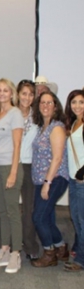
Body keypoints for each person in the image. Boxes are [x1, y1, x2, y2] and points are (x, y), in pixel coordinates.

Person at [0, 79, 24, 274]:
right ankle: (4, 250)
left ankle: (16, 253)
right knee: (1, 212)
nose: (1, 94)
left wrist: (14, 172)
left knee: (12, 212)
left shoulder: (15, 114)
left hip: (9, 167)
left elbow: (17, 145)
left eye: (5, 90)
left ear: (12, 93)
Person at [31, 91, 69, 268]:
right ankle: (61, 247)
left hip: (55, 179)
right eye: (42, 103)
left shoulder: (57, 127)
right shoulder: (42, 127)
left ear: (55, 106)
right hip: (42, 179)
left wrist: (47, 183)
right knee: (45, 217)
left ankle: (49, 253)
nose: (45, 106)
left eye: (49, 102)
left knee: (39, 217)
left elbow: (57, 158)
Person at [16, 80, 40, 261]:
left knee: (29, 209)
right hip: (10, 165)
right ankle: (11, 245)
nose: (27, 97)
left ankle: (30, 246)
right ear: (18, 94)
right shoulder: (9, 113)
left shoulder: (38, 117)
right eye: (24, 93)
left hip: (30, 166)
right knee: (10, 209)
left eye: (30, 94)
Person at [63, 89, 84, 272]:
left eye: (81, 102)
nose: (77, 106)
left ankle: (82, 260)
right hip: (73, 179)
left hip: (82, 181)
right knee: (76, 219)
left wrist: (82, 174)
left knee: (81, 221)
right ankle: (79, 250)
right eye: (74, 102)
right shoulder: (75, 122)